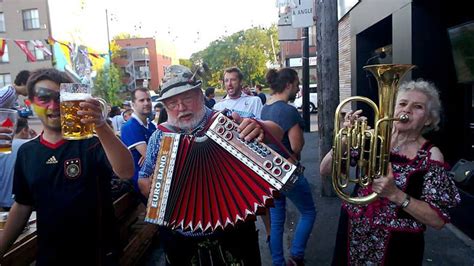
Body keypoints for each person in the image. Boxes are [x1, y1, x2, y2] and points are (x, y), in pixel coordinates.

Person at [137, 65, 284, 265]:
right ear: (164, 106)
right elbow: (143, 180)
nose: (181, 108)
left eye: (186, 98)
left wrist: (261, 128)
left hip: (235, 229)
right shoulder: (160, 136)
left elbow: (279, 133)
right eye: (172, 103)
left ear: (200, 94)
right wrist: (155, 187)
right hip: (182, 239)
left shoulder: (227, 120)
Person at [0, 68, 134, 265]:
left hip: (98, 256)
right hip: (50, 257)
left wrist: (101, 125)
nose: (53, 105)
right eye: (43, 98)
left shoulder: (92, 142)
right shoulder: (27, 152)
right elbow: (22, 205)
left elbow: (126, 171)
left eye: (60, 97)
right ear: (30, 103)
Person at [320, 79, 461, 265]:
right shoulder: (370, 138)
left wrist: (395, 194)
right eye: (402, 103)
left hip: (399, 245)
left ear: (428, 119)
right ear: (393, 109)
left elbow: (437, 220)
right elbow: (325, 170)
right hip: (352, 231)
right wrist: (344, 139)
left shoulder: (431, 155)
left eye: (417, 107)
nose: (407, 110)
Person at [262, 68, 316, 266]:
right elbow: (296, 146)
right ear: (288, 85)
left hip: (270, 173)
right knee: (309, 212)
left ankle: (278, 262)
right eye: (297, 84)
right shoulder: (289, 110)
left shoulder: (265, 107)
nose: (298, 88)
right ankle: (296, 255)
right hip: (289, 171)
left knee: (276, 223)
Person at [120, 87, 157, 198]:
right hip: (143, 183)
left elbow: (156, 152)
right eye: (141, 100)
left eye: (148, 99)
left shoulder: (151, 125)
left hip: (154, 178)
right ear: (133, 104)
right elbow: (151, 156)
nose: (146, 103)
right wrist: (150, 154)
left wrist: (150, 154)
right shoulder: (129, 126)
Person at [0, 118, 35, 211]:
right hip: (26, 204)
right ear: (24, 130)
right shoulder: (31, 146)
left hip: (3, 204)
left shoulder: (3, 147)